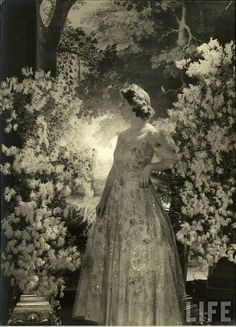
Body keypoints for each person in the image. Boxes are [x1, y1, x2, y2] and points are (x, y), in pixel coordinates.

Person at [72, 84, 187, 325]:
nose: (120, 108)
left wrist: (150, 167)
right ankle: (119, 316)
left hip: (140, 201)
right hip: (117, 201)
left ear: (135, 106)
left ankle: (140, 317)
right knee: (116, 253)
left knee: (140, 253)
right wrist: (103, 199)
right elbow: (115, 169)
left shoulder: (151, 134)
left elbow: (171, 159)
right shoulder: (123, 136)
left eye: (123, 104)